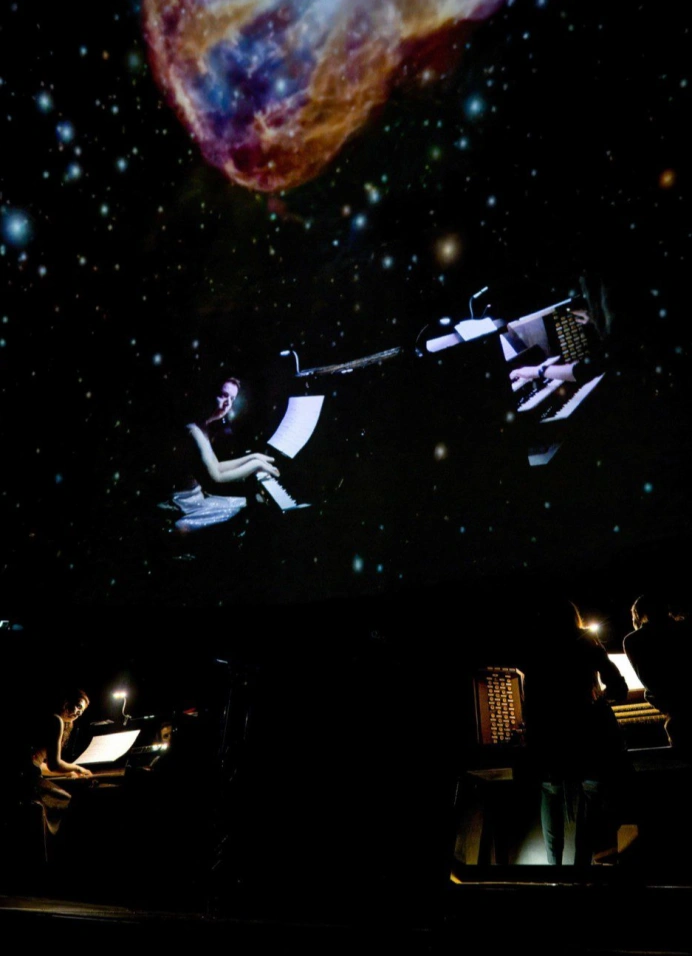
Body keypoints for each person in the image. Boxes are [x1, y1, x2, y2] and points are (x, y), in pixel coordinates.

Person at [524, 600, 629, 866]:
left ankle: (554, 869)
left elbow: (531, 702)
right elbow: (619, 689)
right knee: (591, 793)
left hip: (551, 737)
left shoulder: (536, 647)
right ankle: (580, 869)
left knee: (551, 791)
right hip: (589, 738)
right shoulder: (588, 642)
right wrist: (599, 698)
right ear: (575, 619)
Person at [161, 376, 280, 533]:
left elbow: (216, 465)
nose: (227, 403)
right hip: (181, 506)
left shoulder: (202, 425)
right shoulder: (192, 429)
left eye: (232, 399)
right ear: (210, 394)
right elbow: (216, 476)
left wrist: (254, 457)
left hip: (194, 499)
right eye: (223, 395)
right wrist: (255, 465)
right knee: (247, 508)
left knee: (246, 505)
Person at [623, 594, 690, 757]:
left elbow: (654, 685)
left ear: (637, 615)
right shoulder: (685, 630)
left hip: (677, 715)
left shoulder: (633, 640)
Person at [26, 689, 92, 844]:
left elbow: (39, 765)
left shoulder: (50, 718)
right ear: (66, 701)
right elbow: (54, 764)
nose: (79, 713)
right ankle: (58, 846)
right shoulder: (56, 720)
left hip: (26, 774)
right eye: (78, 706)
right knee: (66, 800)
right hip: (26, 780)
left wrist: (66, 773)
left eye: (82, 711)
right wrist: (77, 768)